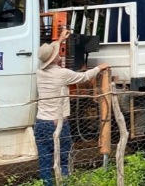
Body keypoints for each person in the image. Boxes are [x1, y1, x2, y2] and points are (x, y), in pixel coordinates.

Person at [35, 30, 108, 186]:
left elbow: (50, 53)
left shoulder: (39, 72)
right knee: (64, 158)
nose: (60, 54)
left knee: (45, 161)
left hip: (40, 122)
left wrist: (60, 39)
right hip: (56, 124)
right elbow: (84, 77)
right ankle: (65, 183)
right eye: (57, 54)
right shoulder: (63, 74)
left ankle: (47, 184)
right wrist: (99, 68)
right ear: (54, 59)